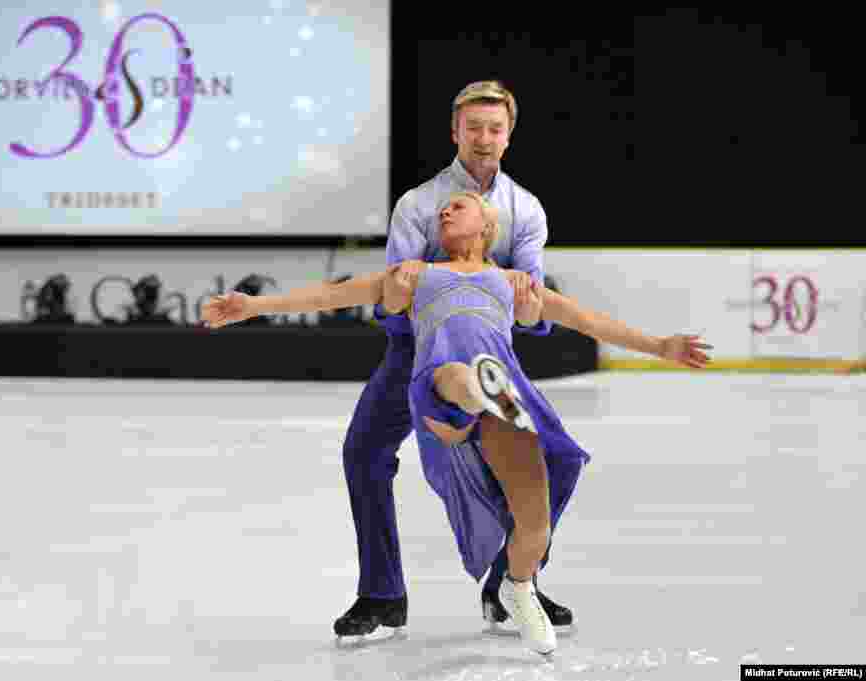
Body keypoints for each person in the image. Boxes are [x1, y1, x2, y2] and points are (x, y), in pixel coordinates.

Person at [201, 191, 711, 655]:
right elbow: (330, 296)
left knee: (532, 524)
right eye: (442, 210)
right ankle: (470, 398)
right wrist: (254, 306)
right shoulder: (416, 274)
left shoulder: (510, 282)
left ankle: (517, 587)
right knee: (457, 374)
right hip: (440, 383)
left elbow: (588, 321)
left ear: (487, 227)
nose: (445, 212)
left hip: (508, 400)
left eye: (458, 207)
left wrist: (661, 346)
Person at [331, 80, 568, 640]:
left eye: (495, 128)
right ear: (455, 132)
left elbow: (530, 302)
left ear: (508, 136)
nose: (484, 139)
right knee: (363, 452)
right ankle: (382, 595)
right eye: (473, 127)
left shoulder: (525, 210)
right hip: (415, 353)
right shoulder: (418, 204)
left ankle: (510, 584)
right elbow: (393, 293)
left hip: (489, 359)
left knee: (550, 456)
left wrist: (531, 313)